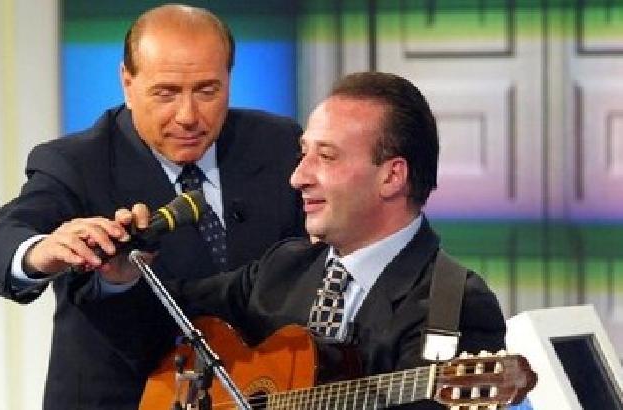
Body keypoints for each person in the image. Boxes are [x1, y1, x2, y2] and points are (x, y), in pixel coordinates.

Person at [0, 4, 304, 409]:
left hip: (253, 392)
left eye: (206, 91)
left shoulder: (276, 143)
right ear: (127, 83)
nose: (188, 116)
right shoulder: (77, 164)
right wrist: (41, 252)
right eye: (166, 93)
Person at [124, 71, 506, 409]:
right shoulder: (283, 267)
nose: (298, 178)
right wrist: (117, 276)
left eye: (326, 157)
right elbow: (158, 318)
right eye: (303, 154)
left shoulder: (454, 304)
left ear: (392, 177)